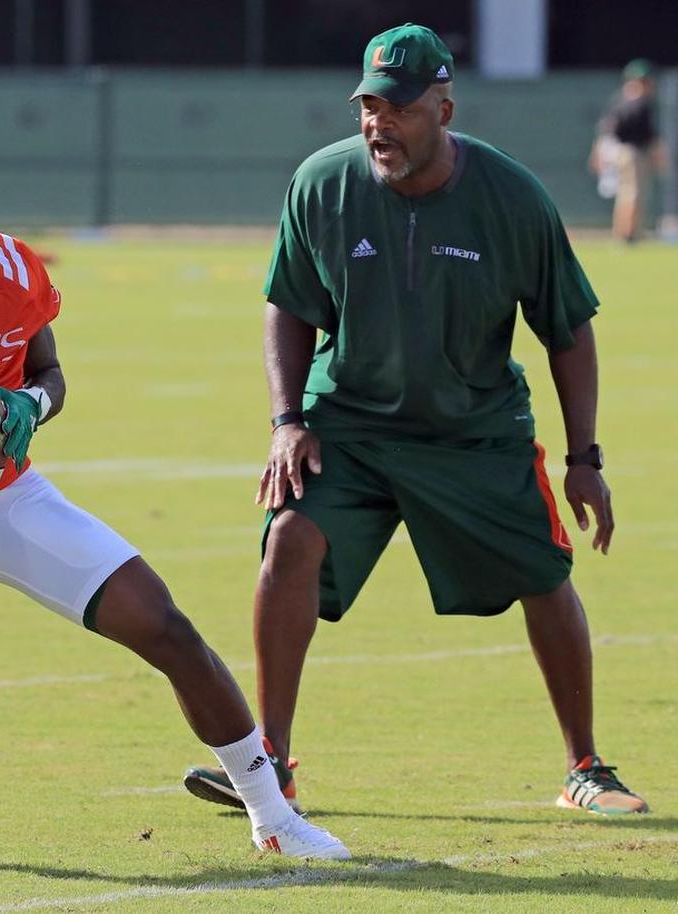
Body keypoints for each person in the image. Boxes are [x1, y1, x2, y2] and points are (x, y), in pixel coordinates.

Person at [0, 99, 350, 869]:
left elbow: (50, 373)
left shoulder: (9, 267)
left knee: (167, 629)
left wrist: (28, 405)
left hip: (14, 500)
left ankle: (273, 813)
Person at [184, 23, 648, 819]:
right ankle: (269, 766)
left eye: (397, 108)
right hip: (351, 421)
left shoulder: (511, 196)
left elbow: (567, 329)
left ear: (443, 106)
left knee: (545, 575)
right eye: (369, 105)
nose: (378, 124)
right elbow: (289, 306)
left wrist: (585, 456)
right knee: (289, 538)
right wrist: (287, 420)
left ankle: (585, 767)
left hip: (473, 427)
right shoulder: (323, 183)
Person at [589, 59, 667, 243]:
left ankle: (622, 232)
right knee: (633, 194)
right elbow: (649, 136)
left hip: (617, 153)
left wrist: (599, 153)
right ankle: (629, 234)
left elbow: (605, 130)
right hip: (632, 154)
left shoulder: (619, 100)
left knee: (625, 193)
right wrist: (659, 155)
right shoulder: (640, 103)